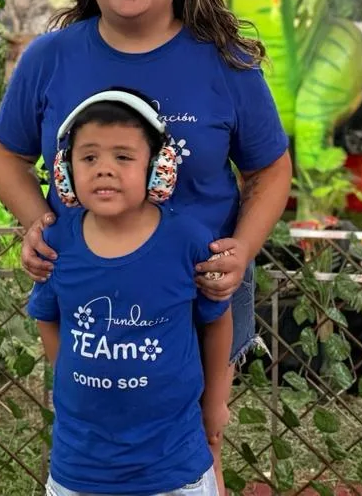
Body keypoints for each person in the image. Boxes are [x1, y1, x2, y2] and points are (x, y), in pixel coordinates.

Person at [0, 0, 293, 490]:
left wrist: (242, 251)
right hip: (90, 296)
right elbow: (5, 152)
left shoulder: (225, 62)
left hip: (201, 291)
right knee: (96, 433)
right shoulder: (50, 58)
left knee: (200, 439)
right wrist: (38, 225)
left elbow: (270, 169)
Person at [27, 88, 232, 496]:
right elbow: (47, 316)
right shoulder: (56, 243)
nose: (104, 170)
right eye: (89, 158)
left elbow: (217, 321)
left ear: (158, 168)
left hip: (173, 466)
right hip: (79, 467)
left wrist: (214, 403)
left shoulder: (188, 241)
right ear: (65, 171)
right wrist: (73, 376)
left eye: (123, 157)